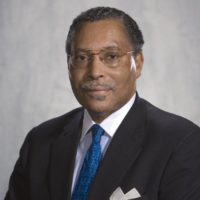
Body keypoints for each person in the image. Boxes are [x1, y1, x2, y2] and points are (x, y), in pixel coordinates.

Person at [5, 6, 200, 200]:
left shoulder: (181, 143)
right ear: (69, 65)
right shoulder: (40, 141)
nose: (94, 71)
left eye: (111, 56)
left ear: (137, 63)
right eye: (82, 58)